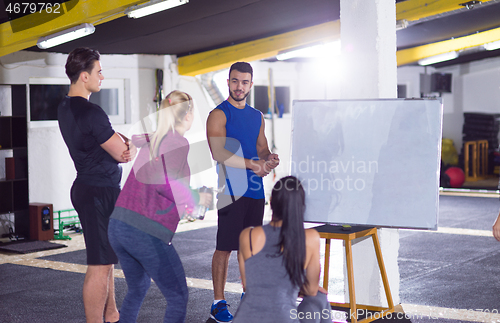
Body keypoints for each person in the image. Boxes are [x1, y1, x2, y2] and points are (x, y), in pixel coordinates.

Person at [107, 90, 211, 322]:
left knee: (138, 287)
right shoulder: (177, 142)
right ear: (188, 115)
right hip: (144, 230)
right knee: (178, 297)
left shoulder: (153, 141)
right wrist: (196, 199)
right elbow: (168, 183)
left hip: (118, 225)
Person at [58, 47, 135, 323]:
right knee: (99, 265)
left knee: (106, 259)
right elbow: (122, 152)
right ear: (84, 76)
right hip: (99, 192)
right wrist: (128, 145)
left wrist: (118, 140)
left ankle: (111, 315)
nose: (102, 76)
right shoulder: (92, 112)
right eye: (98, 72)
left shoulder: (65, 107)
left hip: (87, 188)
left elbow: (107, 140)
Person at [206, 61, 280, 322]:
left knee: (249, 248)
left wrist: (269, 158)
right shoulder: (219, 114)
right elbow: (219, 153)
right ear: (228, 82)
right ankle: (218, 302)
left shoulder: (257, 116)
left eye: (244, 82)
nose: (239, 86)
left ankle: (249, 296)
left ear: (251, 84)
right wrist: (253, 164)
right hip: (231, 191)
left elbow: (261, 148)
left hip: (255, 192)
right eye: (235, 81)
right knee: (225, 247)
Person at [233, 176, 331, 323]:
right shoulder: (310, 238)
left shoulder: (248, 235)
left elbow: (248, 285)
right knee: (319, 297)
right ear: (301, 206)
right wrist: (295, 286)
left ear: (271, 201)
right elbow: (311, 290)